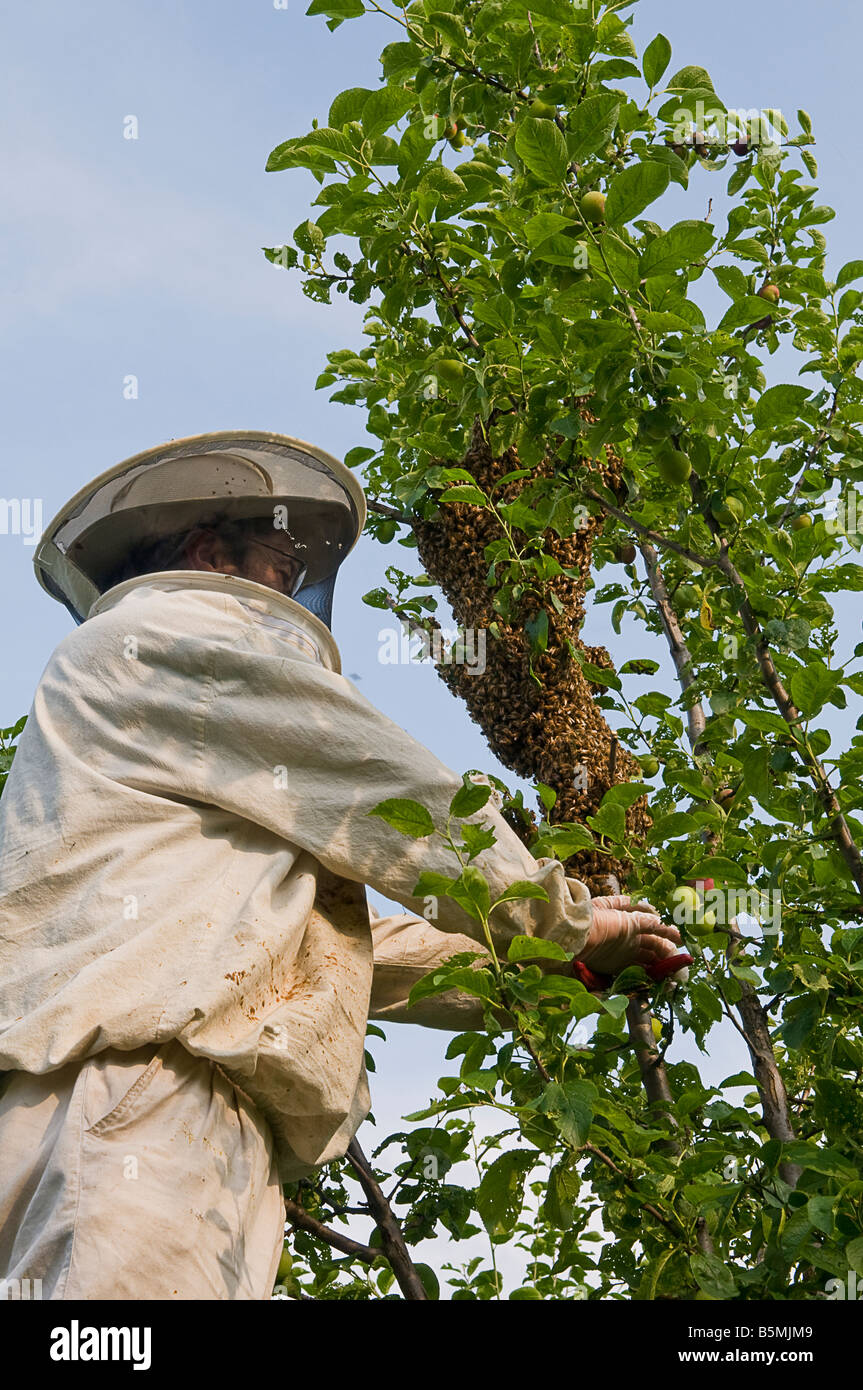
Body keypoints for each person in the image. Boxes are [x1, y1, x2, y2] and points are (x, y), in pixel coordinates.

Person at [0, 431, 683, 1300]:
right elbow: (392, 791)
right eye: (280, 565)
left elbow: (317, 955)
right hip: (144, 1094)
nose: (291, 588)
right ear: (210, 554)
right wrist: (561, 918)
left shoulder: (174, 771)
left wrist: (562, 968)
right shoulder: (171, 631)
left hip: (135, 1101)